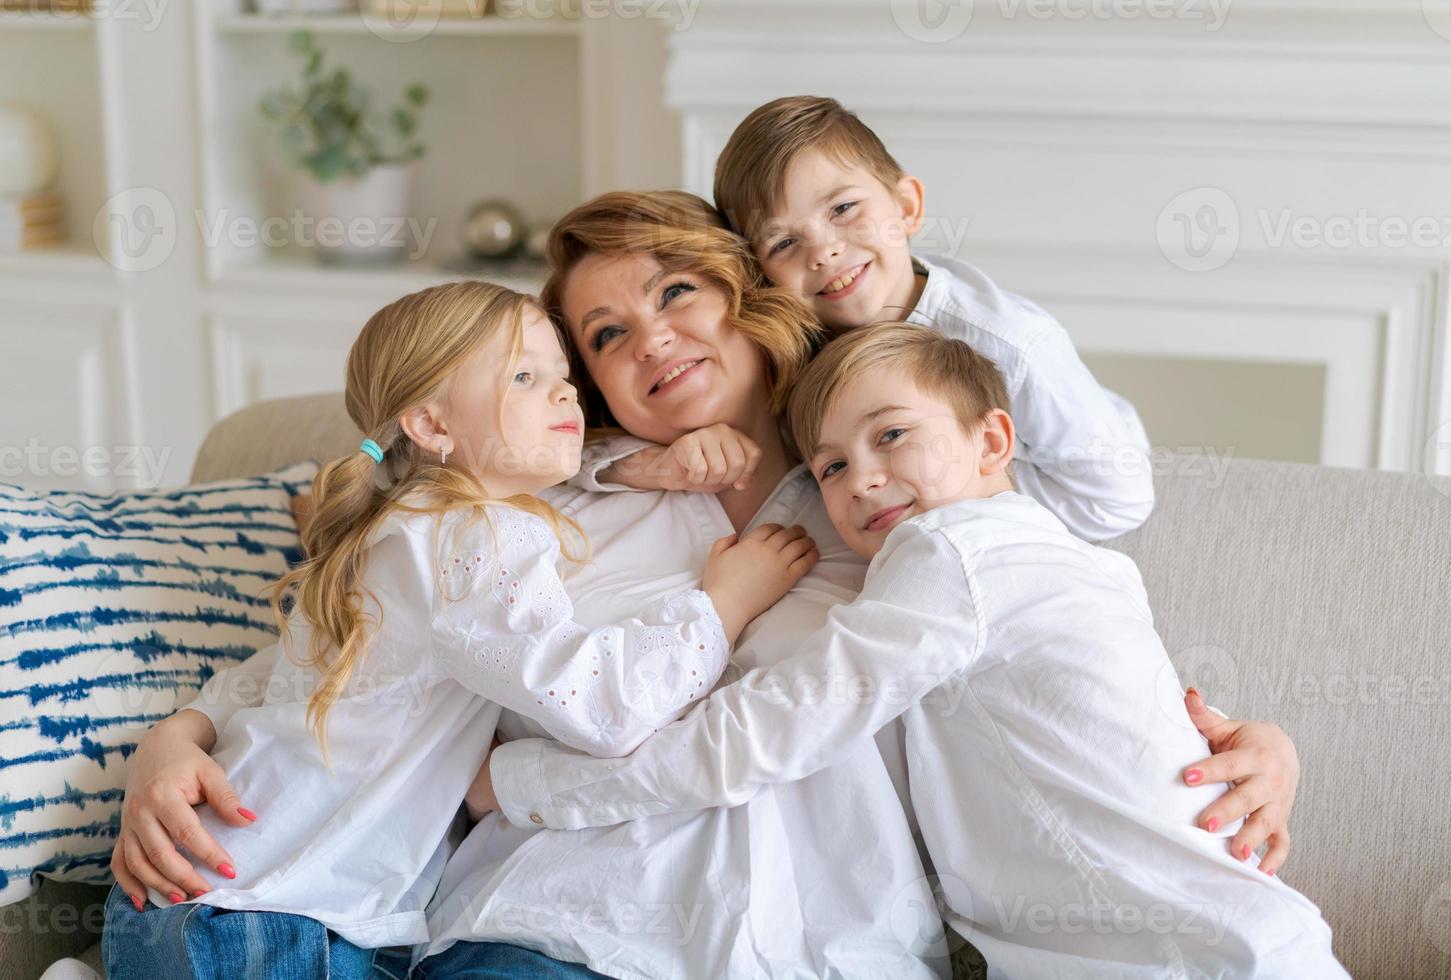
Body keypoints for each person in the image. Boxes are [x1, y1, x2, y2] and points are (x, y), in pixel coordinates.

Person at [112, 192, 1305, 980]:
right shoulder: (534, 499)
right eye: (606, 333)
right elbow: (361, 641)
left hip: (824, 942)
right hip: (563, 922)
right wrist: (186, 727)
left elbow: (1070, 646)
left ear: (748, 298)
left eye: (676, 294)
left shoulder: (899, 494)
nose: (652, 342)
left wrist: (1258, 747)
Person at [483, 323, 1346, 978]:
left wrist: (523, 784)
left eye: (891, 437)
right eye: (828, 467)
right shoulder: (1060, 563)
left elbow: (755, 736)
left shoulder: (950, 556)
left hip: (1198, 954)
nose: (858, 479)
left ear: (993, 441)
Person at [100, 280, 814, 979]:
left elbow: (274, 675)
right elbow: (599, 706)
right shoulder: (473, 537)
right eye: (527, 376)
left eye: (563, 375)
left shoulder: (401, 529)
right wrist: (722, 605)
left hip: (221, 898)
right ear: (434, 426)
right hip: (267, 910)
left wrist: (181, 728)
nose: (565, 393)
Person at [591, 95, 1155, 544]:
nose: (823, 252)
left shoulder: (1012, 344)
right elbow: (580, 452)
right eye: (784, 241)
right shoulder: (796, 343)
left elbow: (1116, 498)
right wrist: (657, 463)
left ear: (906, 206)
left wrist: (946, 490)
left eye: (843, 210)